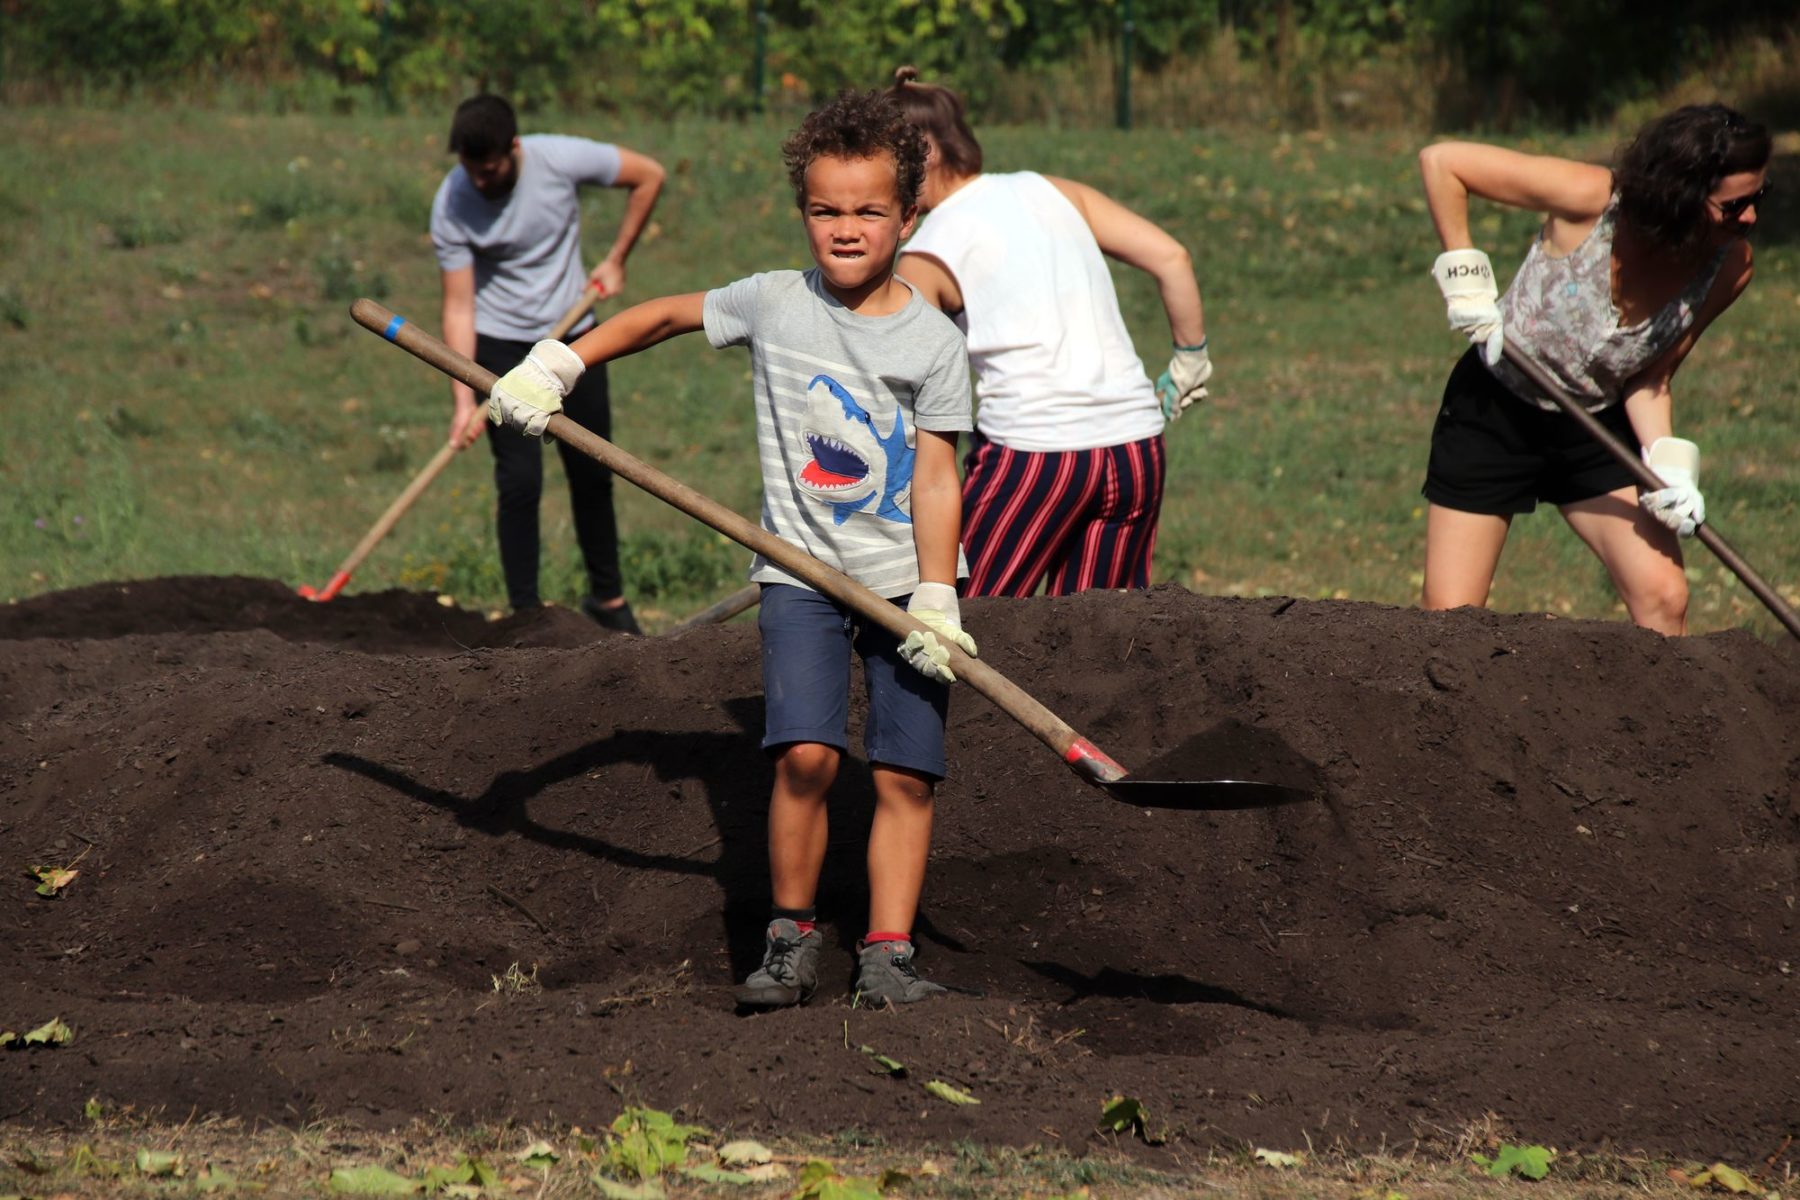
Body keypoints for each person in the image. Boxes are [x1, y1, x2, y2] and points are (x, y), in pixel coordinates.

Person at [481, 90, 976, 1008]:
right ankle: (788, 941)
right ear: (803, 213)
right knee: (806, 758)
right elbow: (660, 316)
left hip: (909, 585)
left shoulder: (934, 342)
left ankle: (889, 955)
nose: (846, 228)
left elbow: (940, 477)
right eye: (826, 210)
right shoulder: (773, 304)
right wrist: (558, 363)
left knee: (906, 773)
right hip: (799, 574)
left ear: (909, 215)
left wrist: (939, 596)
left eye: (870, 211)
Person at [1419, 103, 1768, 635]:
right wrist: (1464, 274)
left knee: (1664, 598)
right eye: (1734, 205)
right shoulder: (1591, 199)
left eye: (1757, 199)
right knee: (1448, 622)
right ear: (1682, 196)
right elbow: (1444, 162)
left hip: (1592, 429)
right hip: (1496, 409)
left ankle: (1658, 720)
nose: (1750, 219)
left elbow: (1651, 377)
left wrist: (1669, 466)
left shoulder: (1729, 267)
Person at [887, 66, 1212, 598]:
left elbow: (888, 363)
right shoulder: (1053, 191)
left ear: (922, 154)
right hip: (1135, 447)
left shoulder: (930, 248)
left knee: (963, 622)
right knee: (1099, 645)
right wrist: (1190, 360)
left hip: (1035, 458)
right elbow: (1171, 257)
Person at [429, 94, 666, 632]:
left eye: (489, 168)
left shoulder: (558, 158)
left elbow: (649, 174)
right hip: (500, 350)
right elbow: (459, 304)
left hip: (572, 345)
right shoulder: (452, 202)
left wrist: (617, 257)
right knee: (519, 482)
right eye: (470, 169)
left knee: (592, 471)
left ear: (513, 148)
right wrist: (463, 397)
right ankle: (524, 616)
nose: (480, 181)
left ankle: (607, 601)